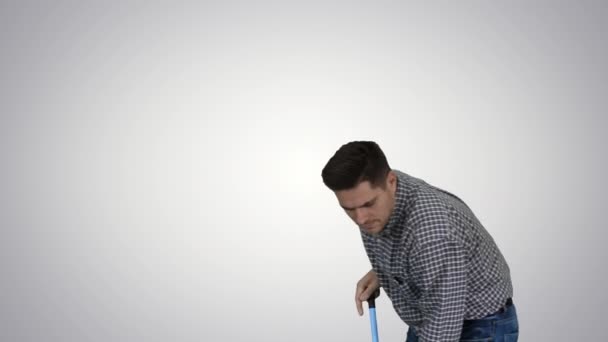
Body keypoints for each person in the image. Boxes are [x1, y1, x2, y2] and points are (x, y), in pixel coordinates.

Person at [321, 141, 518, 342]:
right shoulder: (378, 189)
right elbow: (414, 248)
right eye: (349, 209)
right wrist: (383, 272)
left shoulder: (434, 233)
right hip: (431, 311)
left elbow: (442, 331)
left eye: (368, 204)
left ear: (391, 181)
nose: (361, 219)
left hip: (481, 325)